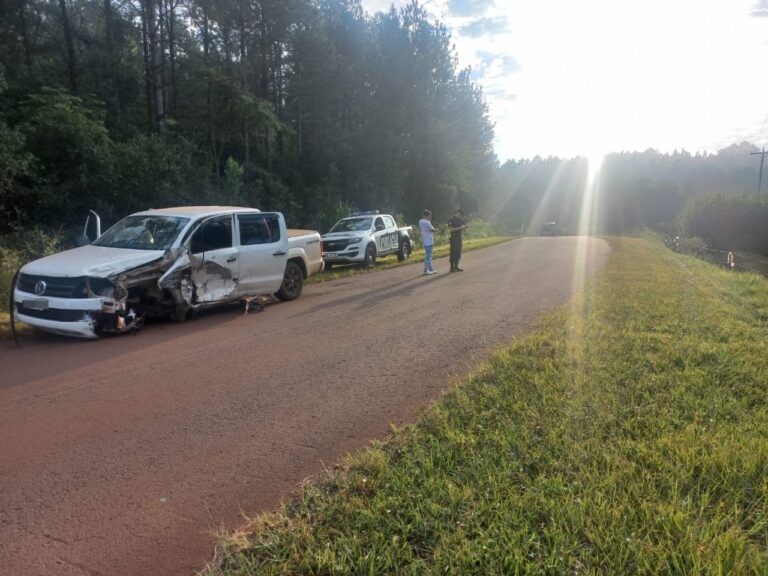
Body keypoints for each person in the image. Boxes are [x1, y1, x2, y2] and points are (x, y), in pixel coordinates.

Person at [419, 209, 437, 275]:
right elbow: (433, 230)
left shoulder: (420, 221)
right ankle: (426, 270)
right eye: (430, 216)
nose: (430, 217)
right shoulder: (427, 222)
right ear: (428, 215)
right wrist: (434, 229)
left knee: (429, 255)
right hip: (429, 240)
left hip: (425, 240)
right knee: (428, 256)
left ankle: (430, 268)